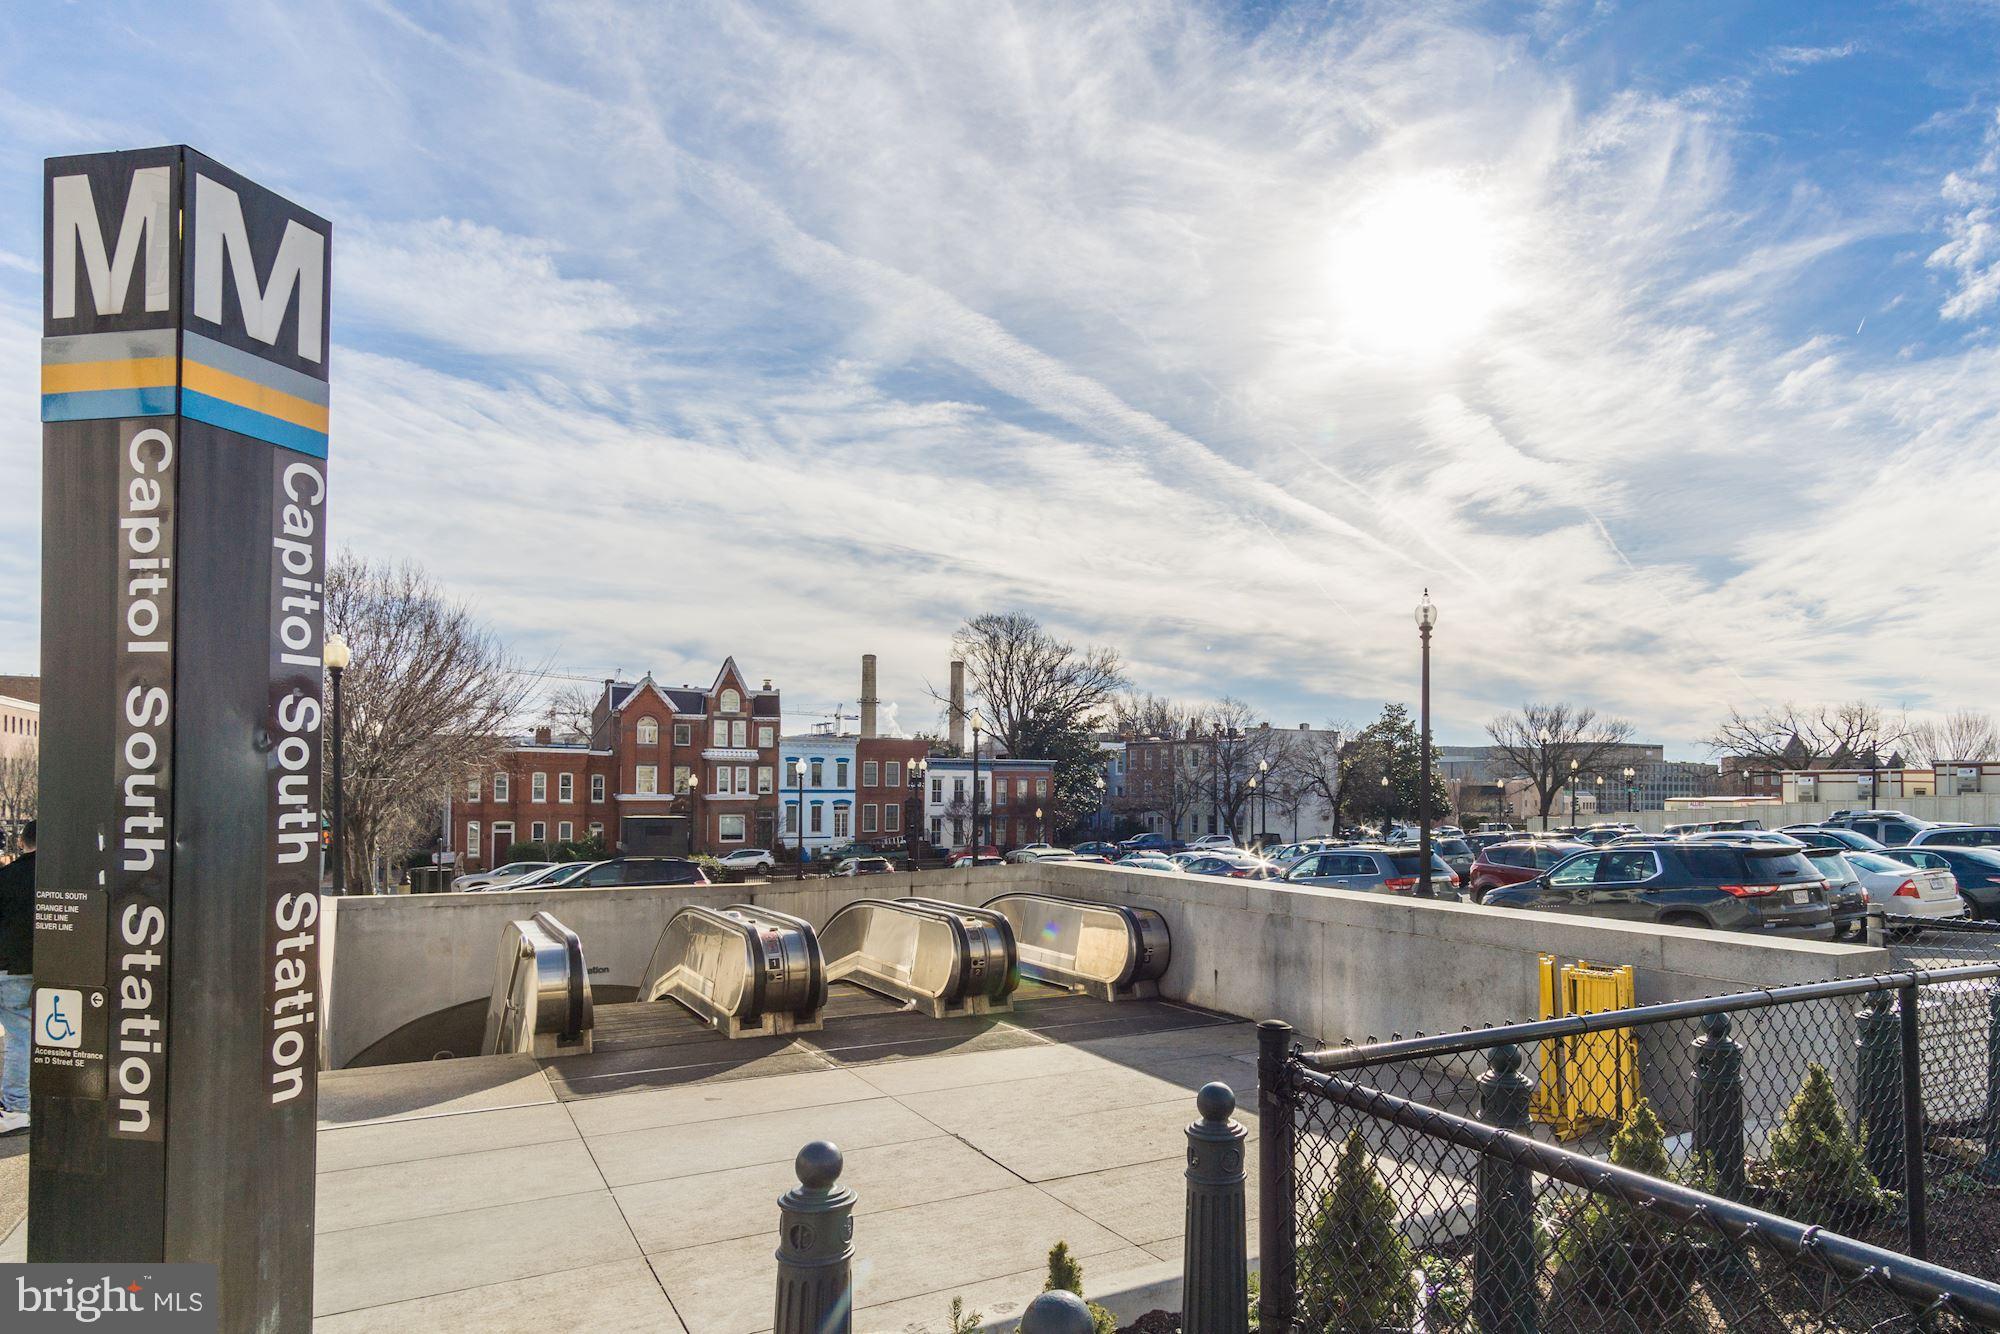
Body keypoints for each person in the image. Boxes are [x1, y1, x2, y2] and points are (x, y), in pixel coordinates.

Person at [0, 819, 33, 1134]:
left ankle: (18, 1106)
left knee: (19, 1036)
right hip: (37, 967)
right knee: (25, 1036)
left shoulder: (8, 877)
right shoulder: (60, 876)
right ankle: (20, 1104)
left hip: (7, 965)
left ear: (22, 842)